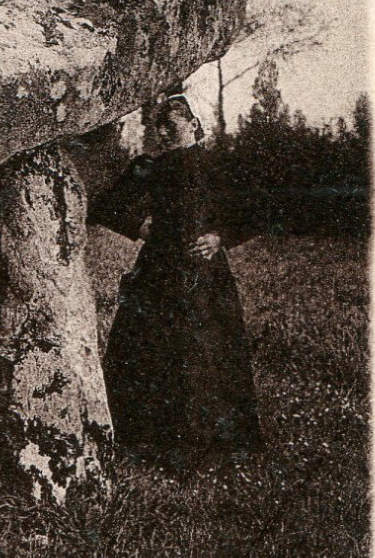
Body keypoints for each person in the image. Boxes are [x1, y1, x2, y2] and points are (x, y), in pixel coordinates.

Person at [89, 94, 263, 457]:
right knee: (152, 349)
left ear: (194, 125)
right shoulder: (149, 167)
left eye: (173, 124)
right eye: (159, 127)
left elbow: (257, 208)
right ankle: (147, 442)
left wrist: (219, 238)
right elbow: (103, 204)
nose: (165, 132)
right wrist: (138, 225)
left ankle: (211, 443)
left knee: (206, 349)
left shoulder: (218, 164)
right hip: (158, 271)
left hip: (205, 273)